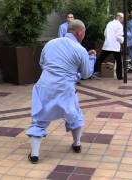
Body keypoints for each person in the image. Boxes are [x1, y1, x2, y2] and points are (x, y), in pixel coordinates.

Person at [26, 19, 97, 164]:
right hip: (65, 88)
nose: (84, 35)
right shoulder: (80, 50)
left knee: (39, 120)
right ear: (79, 32)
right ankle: (77, 144)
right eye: (84, 32)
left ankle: (34, 155)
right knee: (74, 115)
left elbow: (42, 63)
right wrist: (92, 58)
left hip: (45, 86)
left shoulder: (50, 43)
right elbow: (86, 74)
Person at [94, 13, 124, 80]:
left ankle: (93, 71)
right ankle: (119, 77)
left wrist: (109, 38)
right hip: (115, 46)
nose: (122, 20)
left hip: (107, 45)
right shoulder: (119, 25)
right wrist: (122, 40)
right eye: (122, 18)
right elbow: (118, 37)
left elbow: (105, 33)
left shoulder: (109, 23)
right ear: (120, 17)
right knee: (119, 61)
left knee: (100, 59)